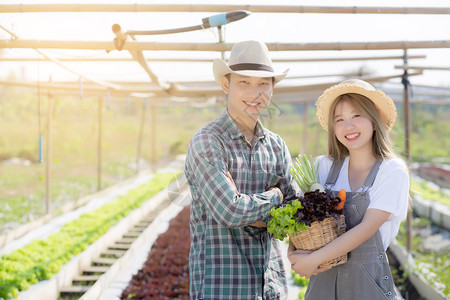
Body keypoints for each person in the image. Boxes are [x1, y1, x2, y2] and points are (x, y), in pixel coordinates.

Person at [185, 40, 298, 300]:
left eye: (263, 83)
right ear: (226, 84)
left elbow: (293, 218)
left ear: (272, 88)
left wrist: (248, 209)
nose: (254, 93)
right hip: (223, 289)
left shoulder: (277, 146)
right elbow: (230, 211)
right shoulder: (209, 141)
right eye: (244, 82)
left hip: (271, 289)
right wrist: (276, 197)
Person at [288, 79, 409, 299]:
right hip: (321, 284)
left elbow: (367, 228)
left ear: (374, 121)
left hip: (366, 287)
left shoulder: (392, 171)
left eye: (356, 116)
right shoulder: (323, 167)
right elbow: (299, 220)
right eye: (340, 119)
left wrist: (314, 259)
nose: (348, 126)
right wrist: (295, 253)